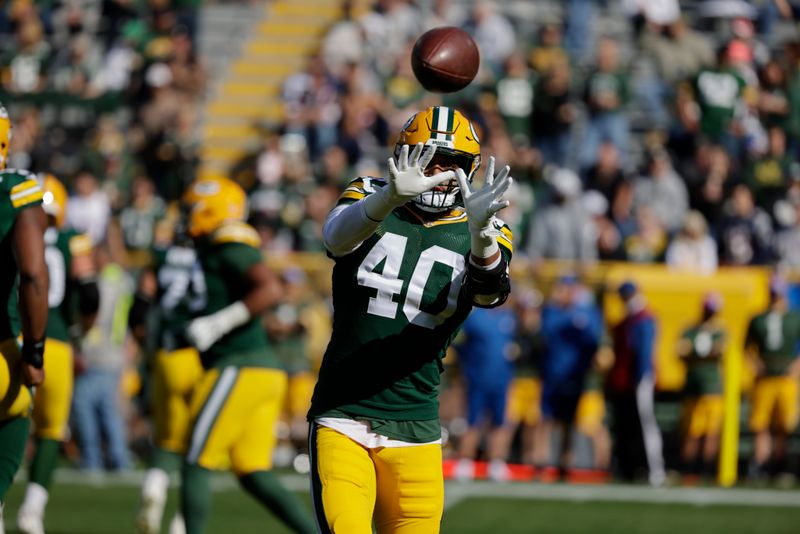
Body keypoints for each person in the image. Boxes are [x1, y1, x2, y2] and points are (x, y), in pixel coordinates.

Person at [307, 105, 513, 533]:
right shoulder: (369, 191)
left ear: (469, 170)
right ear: (404, 154)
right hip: (344, 412)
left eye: (451, 163)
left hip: (416, 421)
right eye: (428, 157)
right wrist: (388, 199)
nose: (439, 171)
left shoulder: (485, 226)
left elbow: (490, 294)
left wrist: (480, 236)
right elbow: (334, 239)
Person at [180, 177, 315, 534]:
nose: (186, 216)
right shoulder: (212, 249)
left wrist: (218, 324)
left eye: (192, 208)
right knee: (252, 470)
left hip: (240, 366)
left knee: (195, 460)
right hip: (261, 371)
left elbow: (269, 288)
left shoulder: (229, 245)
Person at [16, 174, 99, 534]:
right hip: (59, 343)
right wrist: (80, 329)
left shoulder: (13, 228)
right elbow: (91, 292)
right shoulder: (73, 240)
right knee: (52, 430)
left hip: (15, 337)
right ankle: (33, 509)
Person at [131, 215, 205, 534]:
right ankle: (182, 522)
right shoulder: (210, 256)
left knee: (166, 434)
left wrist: (144, 344)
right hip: (201, 354)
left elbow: (141, 303)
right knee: (197, 441)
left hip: (166, 353)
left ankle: (154, 487)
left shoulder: (161, 256)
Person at [0, 104, 48, 532]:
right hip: (4, 354)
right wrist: (34, 351)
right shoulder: (15, 189)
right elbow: (33, 274)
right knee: (15, 412)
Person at [538, 275, 602, 479]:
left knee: (569, 422)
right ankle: (541, 462)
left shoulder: (587, 313)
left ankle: (565, 464)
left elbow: (594, 342)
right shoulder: (551, 312)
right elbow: (546, 333)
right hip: (552, 375)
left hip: (574, 376)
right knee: (547, 419)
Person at [606, 281, 665, 486]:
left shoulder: (643, 319)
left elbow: (643, 352)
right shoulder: (630, 320)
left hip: (640, 380)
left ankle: (656, 470)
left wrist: (641, 377)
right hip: (629, 381)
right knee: (631, 426)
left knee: (646, 423)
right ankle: (632, 468)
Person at [452, 305, 517, 482]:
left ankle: (496, 462)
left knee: (500, 422)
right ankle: (466, 460)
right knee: (473, 420)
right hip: (477, 378)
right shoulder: (474, 317)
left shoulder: (510, 317)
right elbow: (458, 342)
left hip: (502, 379)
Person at [745, 275, 800, 482]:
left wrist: (796, 367)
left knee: (784, 424)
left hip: (786, 377)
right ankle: (762, 463)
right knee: (760, 424)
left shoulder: (794, 317)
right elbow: (747, 348)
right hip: (765, 377)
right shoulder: (758, 318)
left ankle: (781, 464)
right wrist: (755, 365)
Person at [678, 293, 727, 481]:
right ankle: (689, 468)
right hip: (694, 388)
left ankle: (706, 468)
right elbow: (681, 351)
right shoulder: (691, 329)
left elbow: (718, 350)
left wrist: (697, 354)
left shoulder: (720, 330)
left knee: (711, 432)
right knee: (692, 431)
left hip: (712, 388)